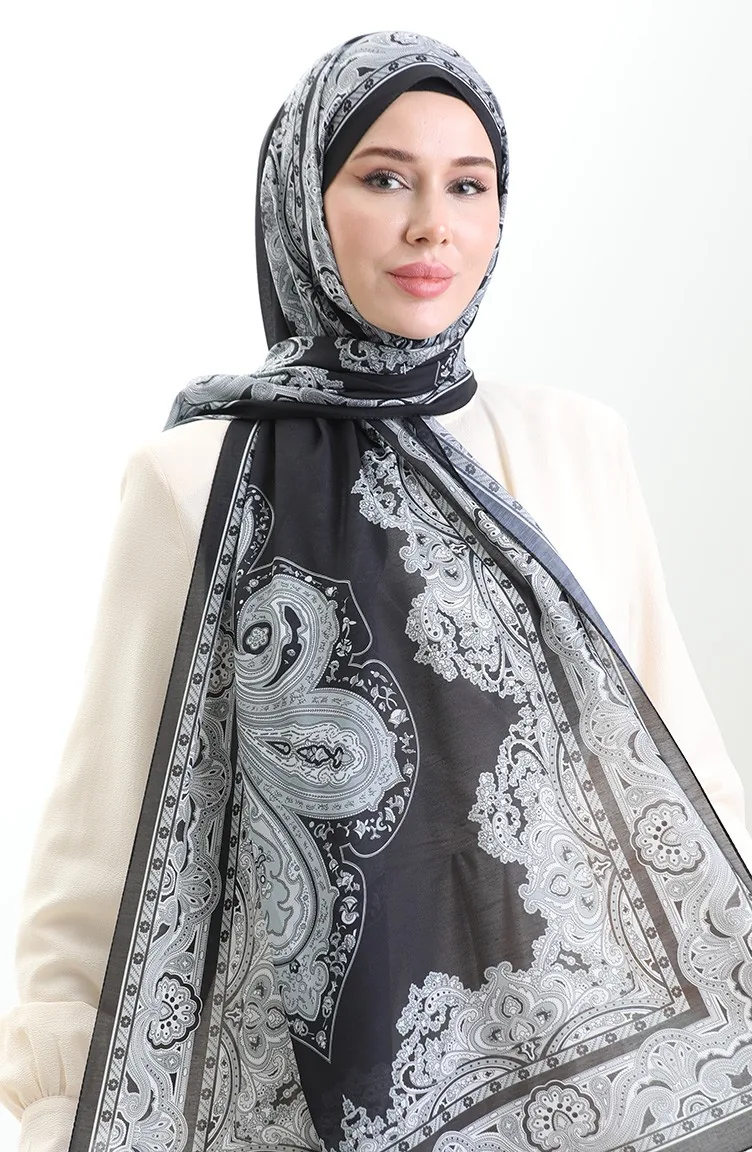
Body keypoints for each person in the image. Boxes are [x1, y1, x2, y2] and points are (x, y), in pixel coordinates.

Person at [2, 27, 752, 1152]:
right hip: (308, 1109)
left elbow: (680, 768)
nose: (431, 226)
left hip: (611, 1089)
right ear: (303, 206)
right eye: (385, 178)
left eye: (468, 185)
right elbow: (102, 852)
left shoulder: (575, 441)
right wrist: (54, 1109)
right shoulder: (194, 480)